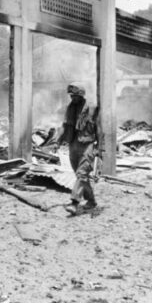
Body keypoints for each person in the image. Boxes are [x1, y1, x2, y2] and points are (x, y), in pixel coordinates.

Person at [57, 83, 100, 216]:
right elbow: (64, 125)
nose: (73, 98)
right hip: (73, 144)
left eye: (75, 96)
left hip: (87, 145)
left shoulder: (92, 108)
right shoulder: (70, 108)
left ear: (81, 95)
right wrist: (57, 140)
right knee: (80, 176)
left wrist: (99, 148)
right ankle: (91, 201)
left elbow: (99, 129)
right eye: (71, 96)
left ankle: (74, 203)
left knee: (82, 174)